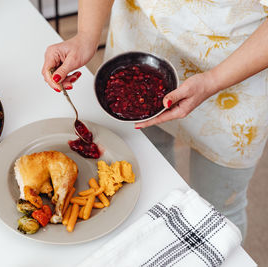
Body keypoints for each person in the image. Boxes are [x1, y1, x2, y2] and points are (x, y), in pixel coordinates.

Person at [42, 0, 268, 239]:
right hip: (140, 45)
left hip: (236, 81)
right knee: (151, 183)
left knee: (219, 211)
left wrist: (212, 81)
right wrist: (86, 35)